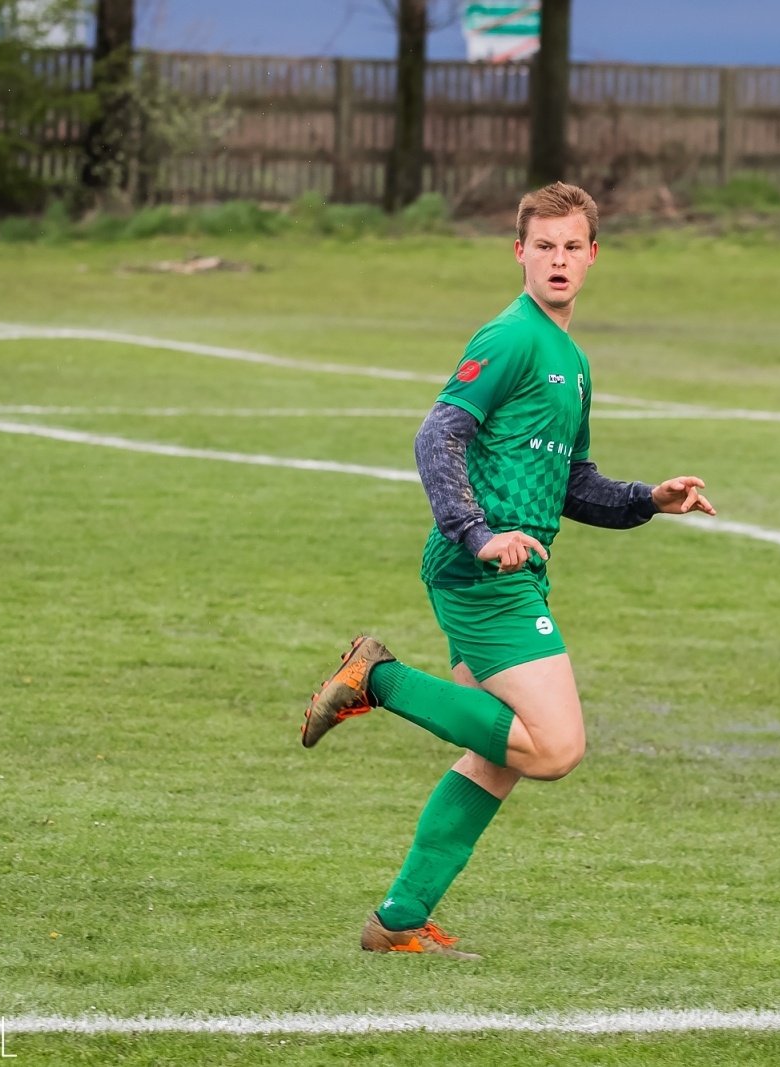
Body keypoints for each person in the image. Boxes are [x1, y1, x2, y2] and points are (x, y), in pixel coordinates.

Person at [301, 181, 716, 959]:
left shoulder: (574, 361)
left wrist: (649, 500)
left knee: (499, 758)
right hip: (483, 570)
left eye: (572, 246)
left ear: (593, 256)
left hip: (505, 568)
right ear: (518, 251)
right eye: (544, 245)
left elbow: (575, 482)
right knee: (554, 747)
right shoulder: (512, 337)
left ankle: (397, 920)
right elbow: (437, 436)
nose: (558, 259)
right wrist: (477, 532)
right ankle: (375, 678)